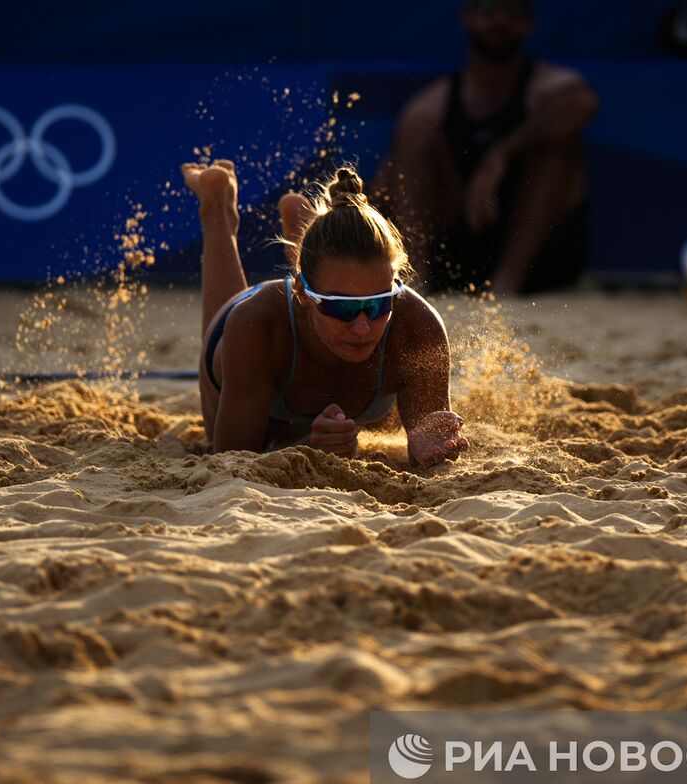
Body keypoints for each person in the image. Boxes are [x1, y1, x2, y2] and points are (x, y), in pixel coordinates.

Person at [183, 159, 469, 466]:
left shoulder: (417, 327)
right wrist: (309, 449)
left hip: (314, 300)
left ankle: (305, 230)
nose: (362, 327)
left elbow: (432, 463)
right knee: (266, 424)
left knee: (385, 425)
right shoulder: (257, 324)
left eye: (377, 304)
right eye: (341, 307)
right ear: (303, 294)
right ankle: (217, 208)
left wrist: (434, 451)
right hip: (258, 325)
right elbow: (229, 463)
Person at [372, 0, 599, 296]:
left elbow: (583, 105)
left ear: (528, 25)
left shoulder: (550, 86)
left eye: (513, 12)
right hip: (457, 252)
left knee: (557, 145)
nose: (499, 21)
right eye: (490, 10)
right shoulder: (432, 105)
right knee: (415, 133)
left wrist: (502, 153)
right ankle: (416, 277)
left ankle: (507, 282)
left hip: (540, 266)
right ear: (468, 17)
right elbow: (384, 190)